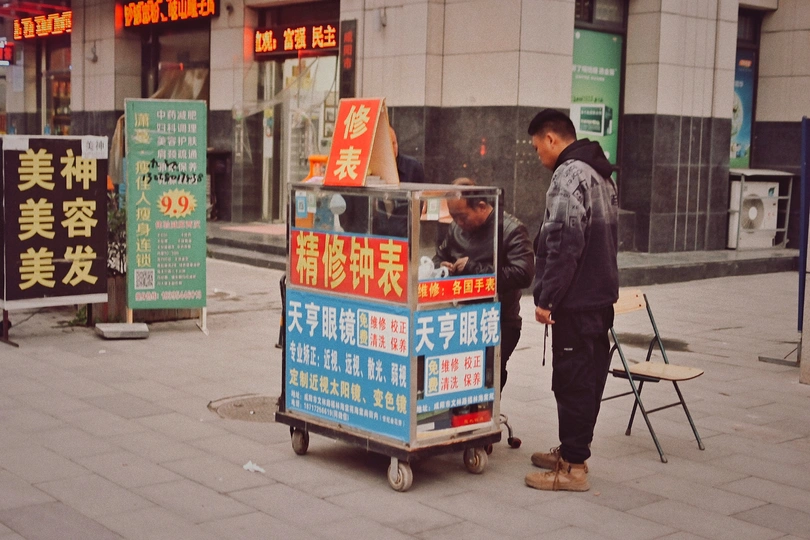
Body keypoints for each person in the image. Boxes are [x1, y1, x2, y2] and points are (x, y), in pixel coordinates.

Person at [524, 109, 619, 492]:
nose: (538, 156)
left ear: (551, 139)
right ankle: (572, 450)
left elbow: (564, 242)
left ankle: (573, 469)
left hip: (576, 302)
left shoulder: (568, 175)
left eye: (537, 148)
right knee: (588, 379)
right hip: (599, 298)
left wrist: (547, 298)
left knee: (573, 382)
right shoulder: (601, 173)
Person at [433, 178, 534, 392]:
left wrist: (473, 268)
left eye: (462, 217)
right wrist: (440, 266)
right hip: (460, 316)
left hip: (497, 320)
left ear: (481, 206)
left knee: (486, 380)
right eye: (453, 217)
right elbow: (439, 255)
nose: (458, 222)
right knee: (458, 378)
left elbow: (523, 274)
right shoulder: (455, 228)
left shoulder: (511, 230)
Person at [341, 126, 425, 236]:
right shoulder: (356, 170)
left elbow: (419, 208)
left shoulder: (413, 168)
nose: (393, 149)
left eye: (394, 143)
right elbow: (347, 217)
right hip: (367, 238)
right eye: (387, 145)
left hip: (402, 238)